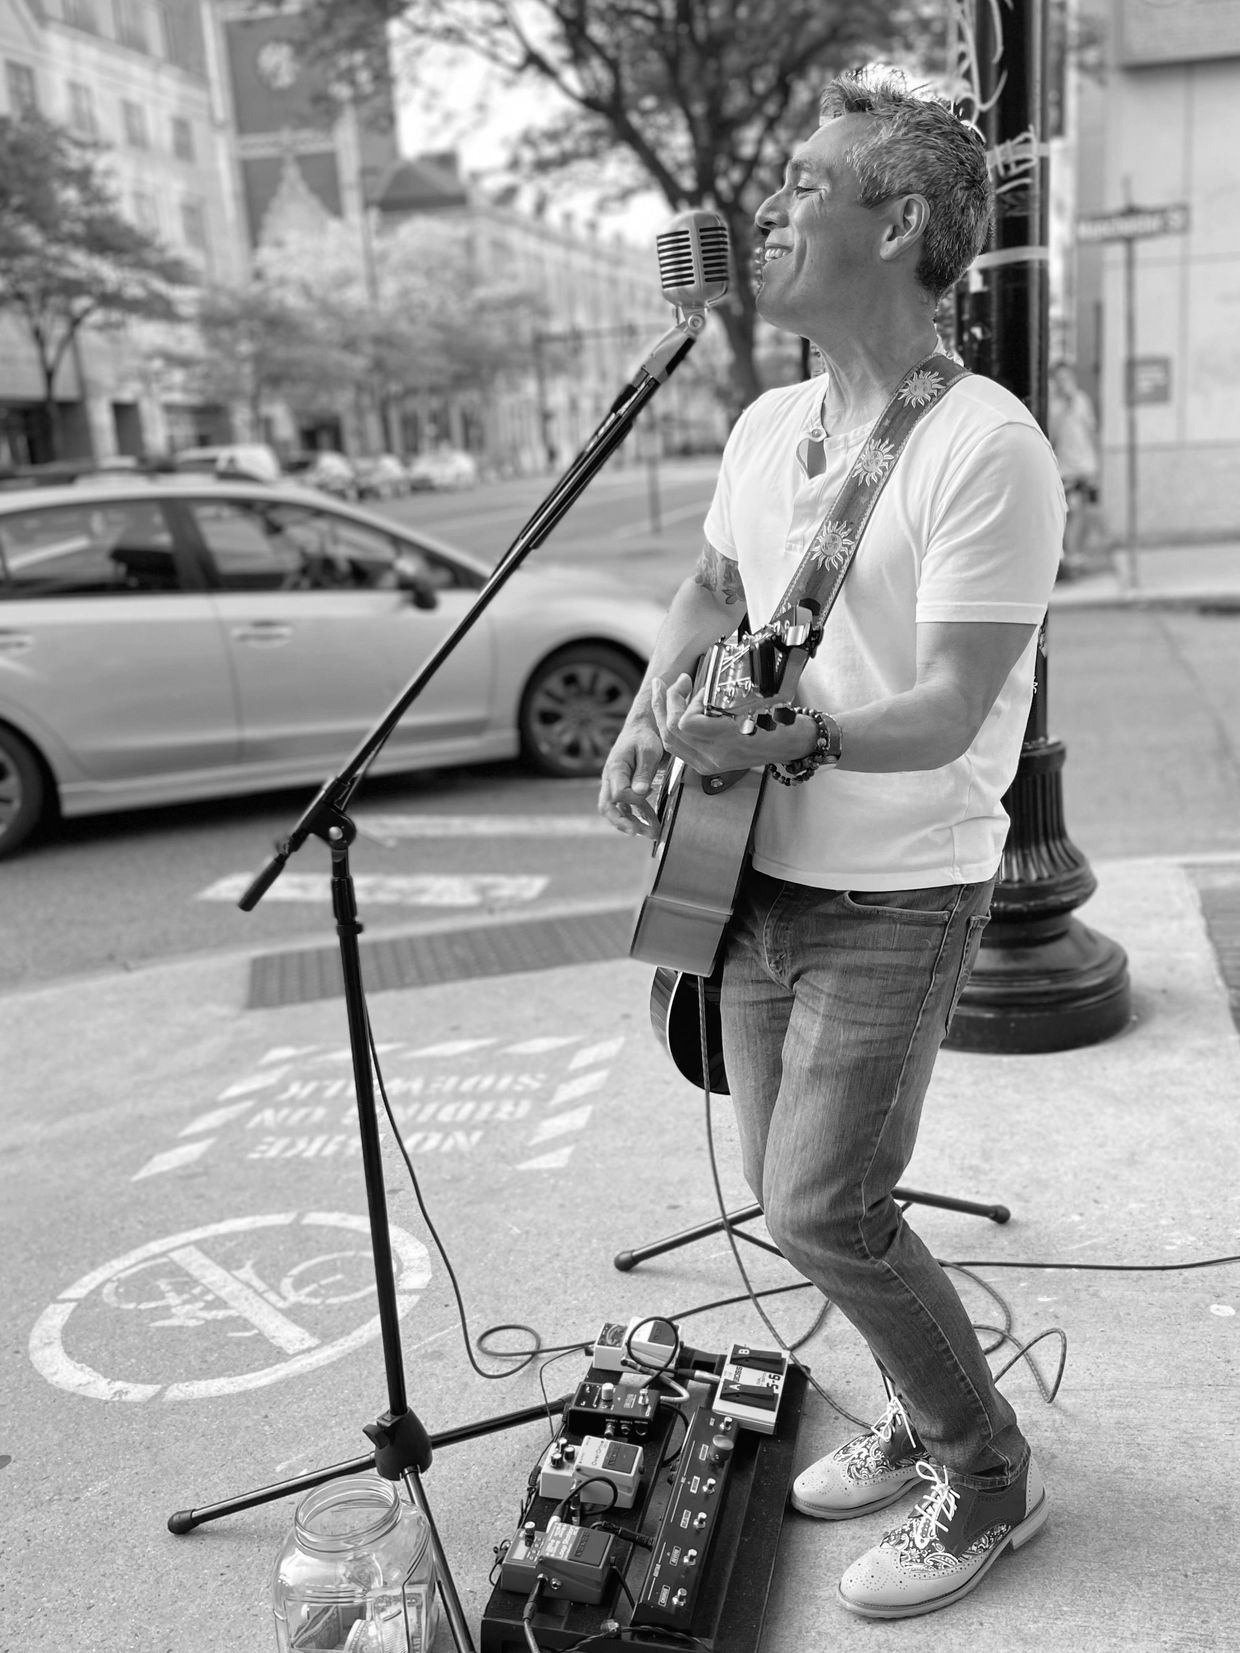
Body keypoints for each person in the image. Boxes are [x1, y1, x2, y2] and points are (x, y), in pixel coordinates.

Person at [599, 66, 1064, 1621]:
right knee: (794, 1202)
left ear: (904, 218)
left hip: (897, 889)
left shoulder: (982, 446)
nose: (772, 204)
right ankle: (921, 1417)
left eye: (806, 180)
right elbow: (714, 590)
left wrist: (800, 738)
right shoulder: (769, 420)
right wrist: (654, 703)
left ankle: (986, 1471)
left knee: (820, 1208)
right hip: (747, 875)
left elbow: (946, 706)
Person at [1048, 359, 1100, 575]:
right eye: (1059, 379)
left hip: (1085, 466)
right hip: (1066, 469)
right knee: (1073, 511)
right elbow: (1052, 435)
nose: (1064, 383)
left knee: (1085, 514)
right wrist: (1064, 410)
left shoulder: (1082, 400)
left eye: (1067, 378)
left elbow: (1091, 431)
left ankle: (1077, 556)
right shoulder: (1053, 405)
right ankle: (1069, 560)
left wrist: (1097, 465)